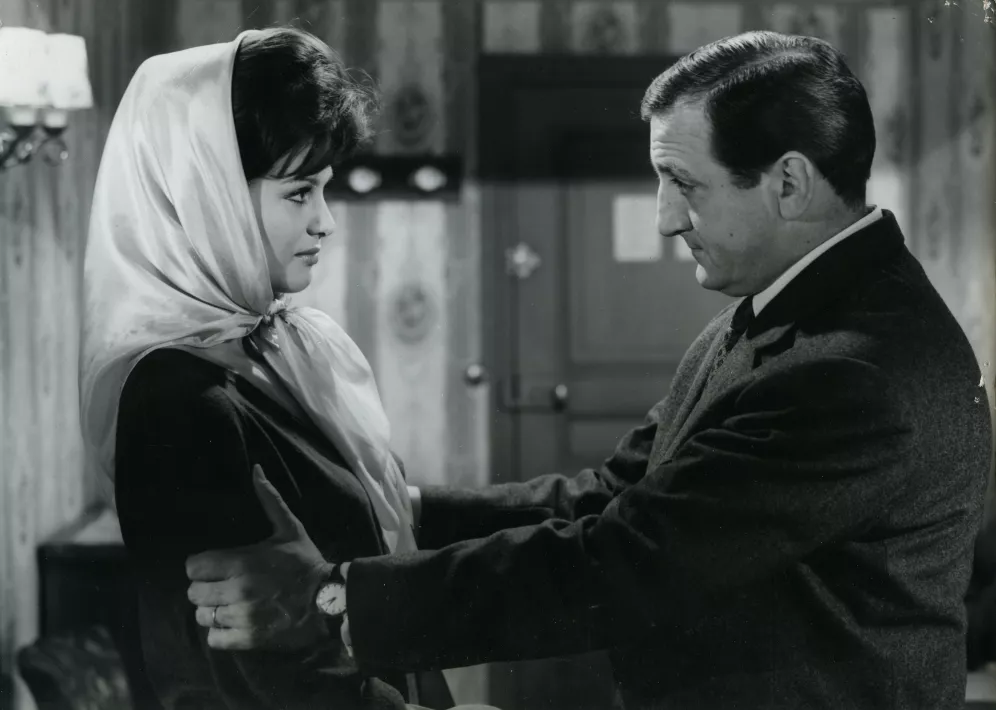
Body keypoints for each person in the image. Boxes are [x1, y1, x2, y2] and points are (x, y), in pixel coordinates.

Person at [184, 31, 994, 709]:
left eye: (684, 184)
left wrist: (331, 598)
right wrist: (401, 505)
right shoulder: (780, 314)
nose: (666, 219)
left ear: (788, 182)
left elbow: (628, 560)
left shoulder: (854, 368)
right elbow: (613, 494)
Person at [79, 26, 472, 710]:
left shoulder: (272, 352)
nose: (325, 222)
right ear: (209, 199)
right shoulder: (176, 396)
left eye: (325, 190)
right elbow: (244, 675)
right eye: (299, 193)